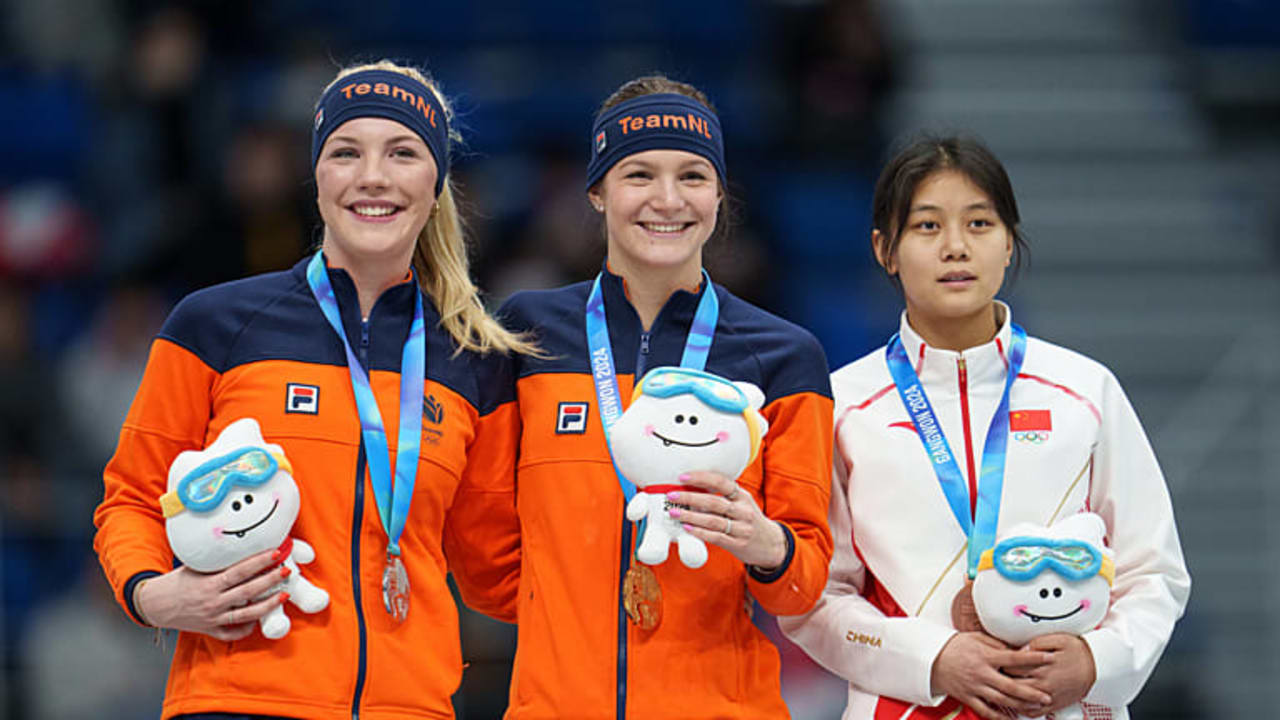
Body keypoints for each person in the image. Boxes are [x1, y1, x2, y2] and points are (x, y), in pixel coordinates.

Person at [92, 59, 537, 720]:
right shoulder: (216, 324)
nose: (372, 177)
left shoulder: (472, 359)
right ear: (319, 175)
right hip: (236, 701)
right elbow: (131, 497)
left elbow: (501, 571)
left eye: (403, 153)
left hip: (410, 707)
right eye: (346, 152)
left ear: (435, 180)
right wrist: (153, 593)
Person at [779, 135, 1191, 720]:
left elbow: (1153, 571)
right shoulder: (843, 406)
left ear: (1008, 244)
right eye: (926, 227)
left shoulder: (1085, 391)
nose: (955, 247)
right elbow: (815, 598)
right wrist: (933, 658)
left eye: (979, 224)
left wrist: (1098, 660)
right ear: (884, 249)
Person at [483, 74, 835, 719]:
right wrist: (561, 605)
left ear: (721, 195)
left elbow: (806, 576)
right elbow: (483, 543)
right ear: (596, 191)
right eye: (638, 174)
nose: (667, 200)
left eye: (693, 176)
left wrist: (765, 547)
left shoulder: (782, 354)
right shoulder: (525, 335)